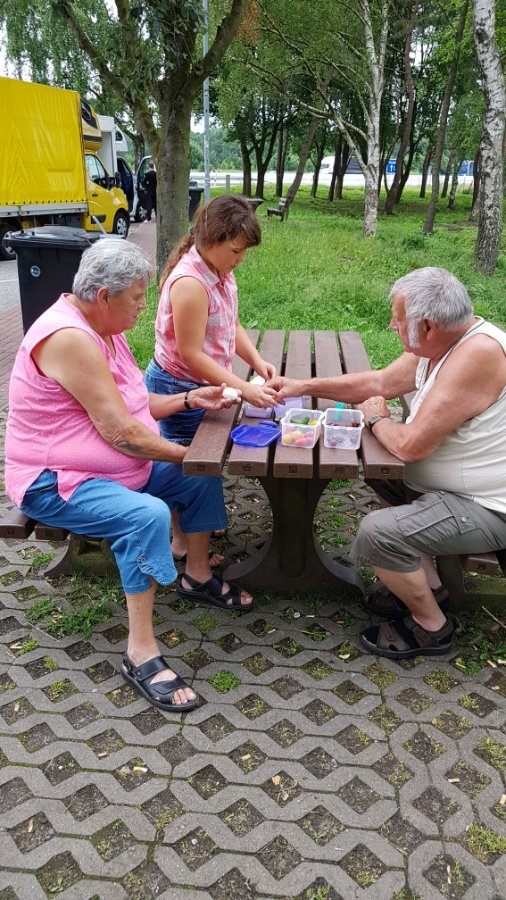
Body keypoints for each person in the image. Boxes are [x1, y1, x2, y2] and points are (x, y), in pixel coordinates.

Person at [5, 239, 253, 714]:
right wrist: (190, 454)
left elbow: (135, 405)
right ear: (103, 296)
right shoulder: (69, 338)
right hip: (55, 480)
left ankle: (197, 575)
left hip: (111, 469)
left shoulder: (104, 330)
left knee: (196, 479)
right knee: (147, 515)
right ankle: (140, 652)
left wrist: (188, 399)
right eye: (137, 297)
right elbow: (122, 433)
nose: (144, 306)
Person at [268, 267, 506, 660]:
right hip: (450, 489)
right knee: (382, 477)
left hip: (485, 506)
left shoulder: (477, 355)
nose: (392, 325)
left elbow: (410, 446)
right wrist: (303, 386)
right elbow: (378, 383)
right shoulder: (445, 343)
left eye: (398, 319)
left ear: (427, 326)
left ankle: (432, 626)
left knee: (377, 535)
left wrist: (377, 419)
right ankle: (431, 589)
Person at [144, 193, 277, 555]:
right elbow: (191, 355)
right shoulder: (190, 284)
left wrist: (256, 360)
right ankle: (181, 541)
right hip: (180, 386)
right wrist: (243, 388)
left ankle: (196, 527)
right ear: (211, 239)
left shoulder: (219, 271)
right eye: (236, 250)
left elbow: (232, 323)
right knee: (187, 463)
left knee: (202, 462)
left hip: (205, 384)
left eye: (244, 251)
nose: (241, 258)